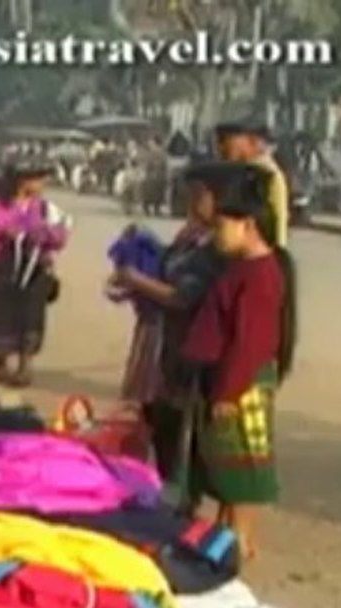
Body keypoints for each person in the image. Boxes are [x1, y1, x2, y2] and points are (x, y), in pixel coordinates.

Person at [180, 162, 298, 563]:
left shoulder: (260, 275)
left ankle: (240, 543)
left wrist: (229, 389)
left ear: (247, 225)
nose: (216, 236)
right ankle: (227, 537)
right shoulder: (243, 268)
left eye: (221, 227)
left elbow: (249, 342)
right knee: (225, 468)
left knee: (242, 470)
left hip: (240, 381)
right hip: (228, 378)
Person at [111, 163, 228, 494]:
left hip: (182, 346)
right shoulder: (191, 235)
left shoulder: (216, 247)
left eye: (200, 196)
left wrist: (137, 280)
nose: (192, 202)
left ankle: (179, 503)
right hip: (160, 340)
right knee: (155, 421)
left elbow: (183, 297)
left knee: (177, 433)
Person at [0, 162, 71, 387]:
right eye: (38, 178)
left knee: (30, 316)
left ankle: (25, 365)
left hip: (32, 272)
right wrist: (0, 234)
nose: (42, 184)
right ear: (22, 181)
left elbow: (60, 236)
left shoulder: (44, 208)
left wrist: (43, 236)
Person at [215, 120, 290, 247]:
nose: (220, 148)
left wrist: (276, 255)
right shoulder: (240, 171)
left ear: (251, 141)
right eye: (219, 141)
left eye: (225, 140)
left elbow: (277, 222)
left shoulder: (265, 173)